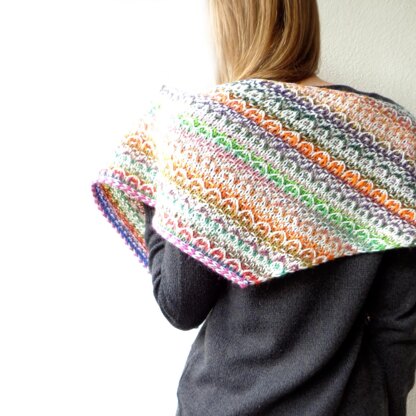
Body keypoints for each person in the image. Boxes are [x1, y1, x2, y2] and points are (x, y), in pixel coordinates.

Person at [91, 0, 416, 415]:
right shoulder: (393, 135)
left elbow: (180, 305)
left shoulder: (210, 129)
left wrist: (161, 184)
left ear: (230, 22)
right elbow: (400, 322)